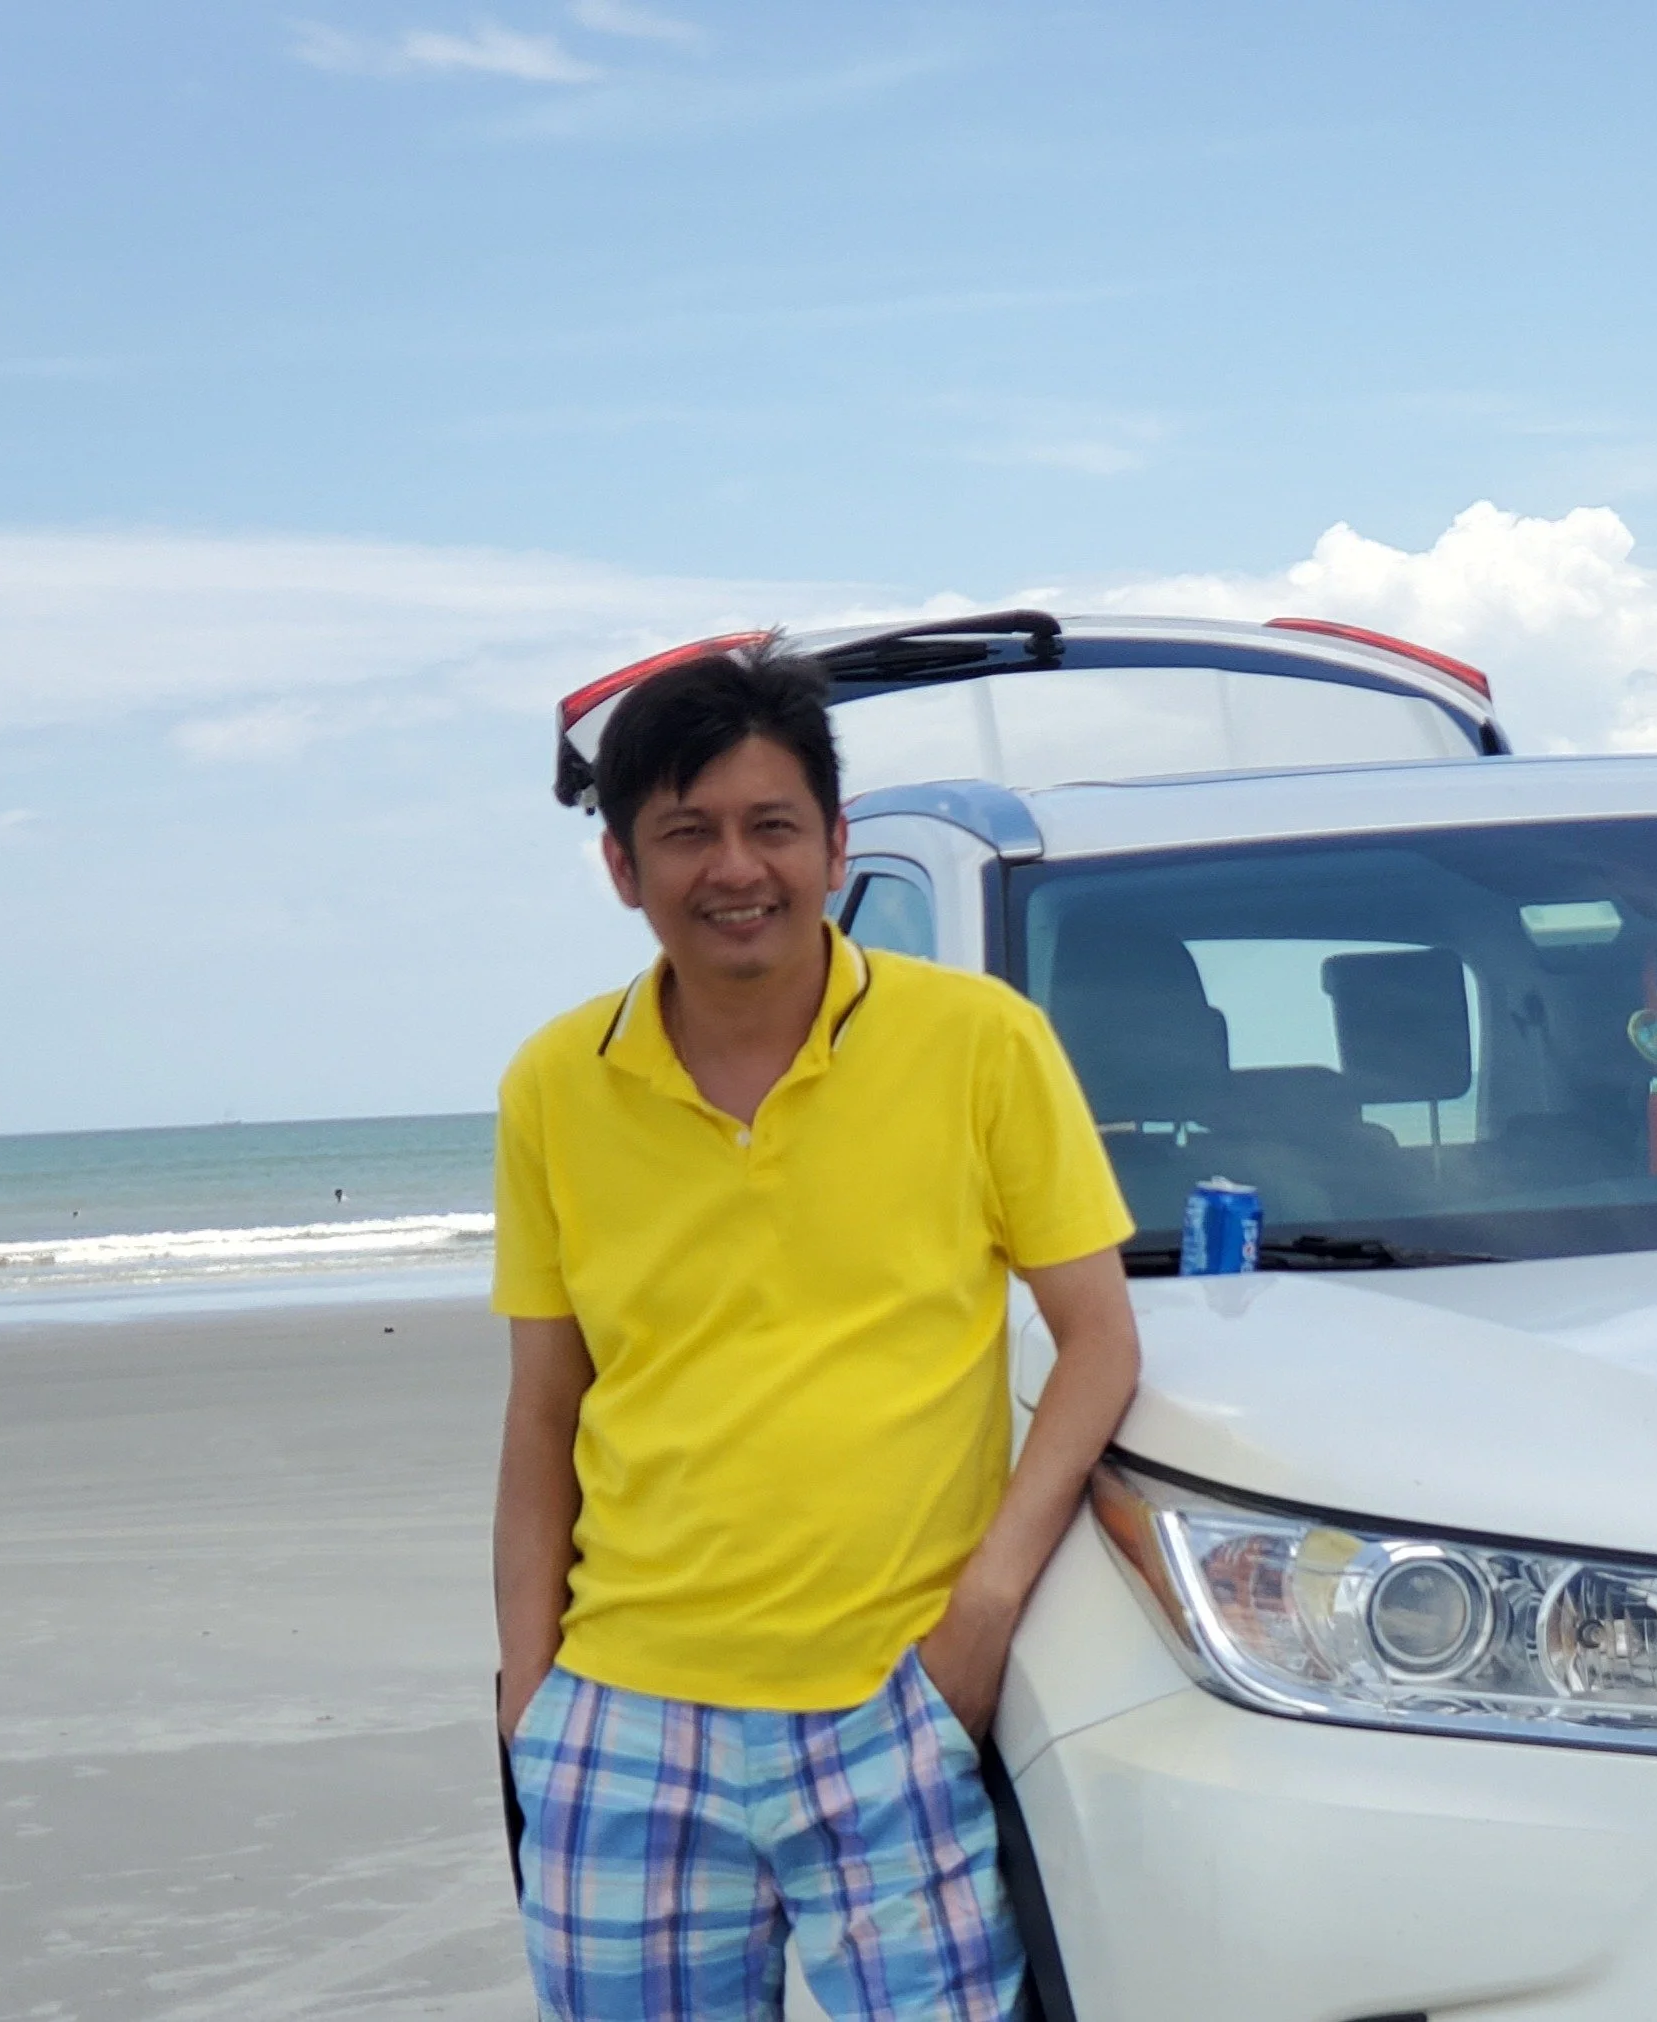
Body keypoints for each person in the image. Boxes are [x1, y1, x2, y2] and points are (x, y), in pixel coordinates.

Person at [492, 639, 1139, 2021]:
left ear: (836, 846)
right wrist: (530, 1703)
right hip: (624, 1720)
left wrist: (978, 1621)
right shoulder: (555, 1081)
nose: (737, 867)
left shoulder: (981, 1041)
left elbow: (1099, 1340)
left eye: (772, 825)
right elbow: (546, 1407)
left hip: (891, 1709)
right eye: (688, 832)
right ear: (623, 865)